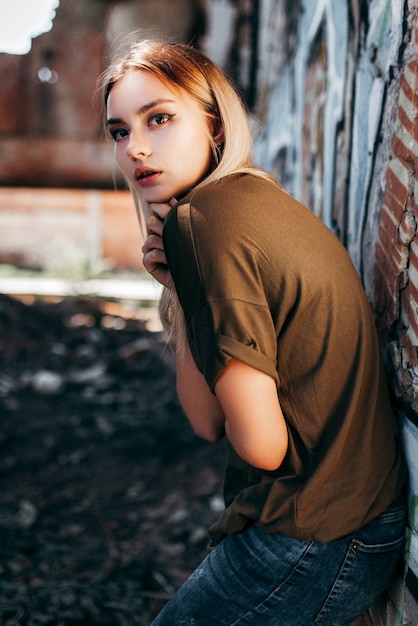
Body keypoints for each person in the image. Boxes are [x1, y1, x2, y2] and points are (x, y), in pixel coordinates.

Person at [99, 39, 407, 625]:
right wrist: (181, 293)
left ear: (214, 124)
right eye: (119, 131)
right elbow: (204, 420)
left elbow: (260, 447)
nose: (135, 147)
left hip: (314, 535)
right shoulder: (246, 199)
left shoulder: (204, 223)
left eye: (159, 118)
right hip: (349, 519)